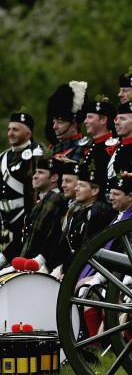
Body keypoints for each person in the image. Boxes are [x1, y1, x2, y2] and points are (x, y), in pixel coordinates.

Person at [0, 111, 41, 267]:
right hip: (4, 223)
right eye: (9, 129)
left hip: (23, 222)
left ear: (28, 132)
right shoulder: (3, 157)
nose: (10, 133)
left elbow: (36, 191)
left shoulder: (36, 154)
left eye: (15, 129)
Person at [14, 157, 68, 275]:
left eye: (40, 172)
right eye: (35, 172)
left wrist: (38, 262)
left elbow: (50, 238)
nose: (35, 176)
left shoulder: (54, 200)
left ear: (54, 177)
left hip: (39, 268)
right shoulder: (42, 200)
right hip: (27, 265)